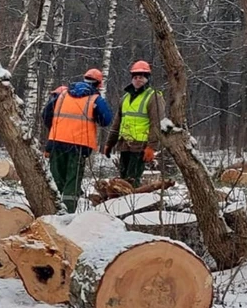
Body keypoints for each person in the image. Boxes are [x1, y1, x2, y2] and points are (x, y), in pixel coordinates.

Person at [42, 68, 113, 213]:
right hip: (79, 145)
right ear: (99, 84)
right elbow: (106, 120)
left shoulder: (62, 95)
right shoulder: (95, 99)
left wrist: (56, 128)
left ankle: (51, 211)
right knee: (72, 181)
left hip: (56, 141)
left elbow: (45, 114)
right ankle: (67, 214)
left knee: (55, 179)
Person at [103, 61, 165, 187]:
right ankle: (121, 202)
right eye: (135, 77)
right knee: (122, 179)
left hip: (140, 146)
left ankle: (132, 203)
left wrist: (152, 147)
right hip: (124, 144)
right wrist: (110, 143)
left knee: (132, 180)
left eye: (141, 77)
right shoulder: (125, 98)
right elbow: (117, 123)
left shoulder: (153, 97)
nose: (138, 80)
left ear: (147, 78)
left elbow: (157, 124)